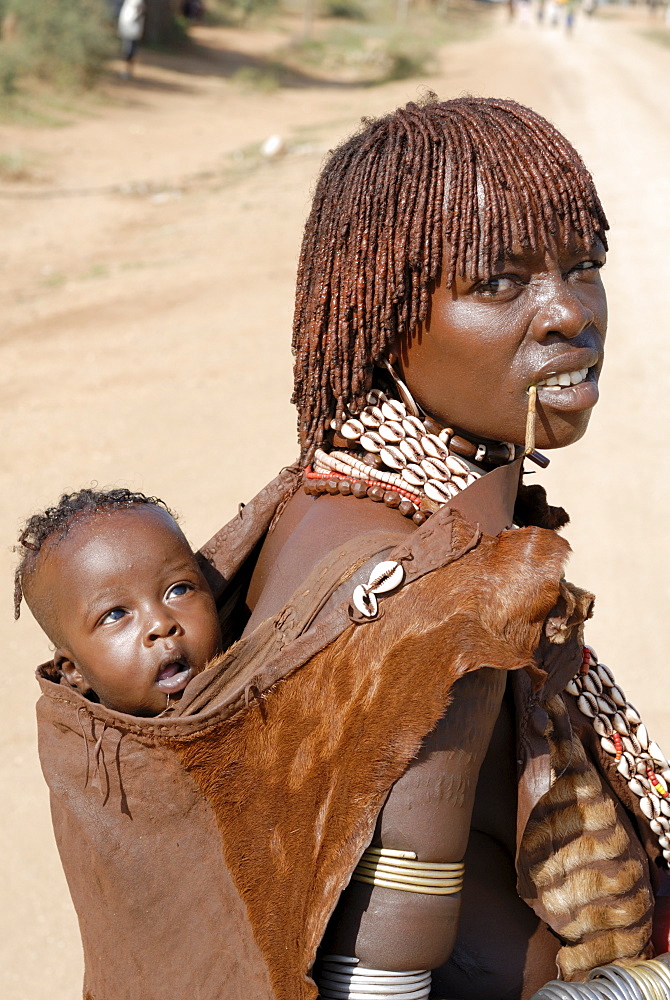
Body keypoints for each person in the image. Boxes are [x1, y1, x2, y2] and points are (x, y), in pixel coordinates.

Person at [30, 97, 670, 1000]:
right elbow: (374, 983)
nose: (569, 312)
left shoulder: (327, 496)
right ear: (382, 316)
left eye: (585, 266)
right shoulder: (436, 593)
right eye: (500, 282)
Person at [15, 488, 222, 716]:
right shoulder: (87, 746)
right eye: (115, 615)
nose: (161, 625)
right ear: (76, 671)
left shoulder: (261, 674)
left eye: (179, 590)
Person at [117, 0, 145, 79]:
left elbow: (141, 9)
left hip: (132, 30)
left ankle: (127, 71)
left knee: (129, 52)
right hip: (128, 29)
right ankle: (127, 71)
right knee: (127, 51)